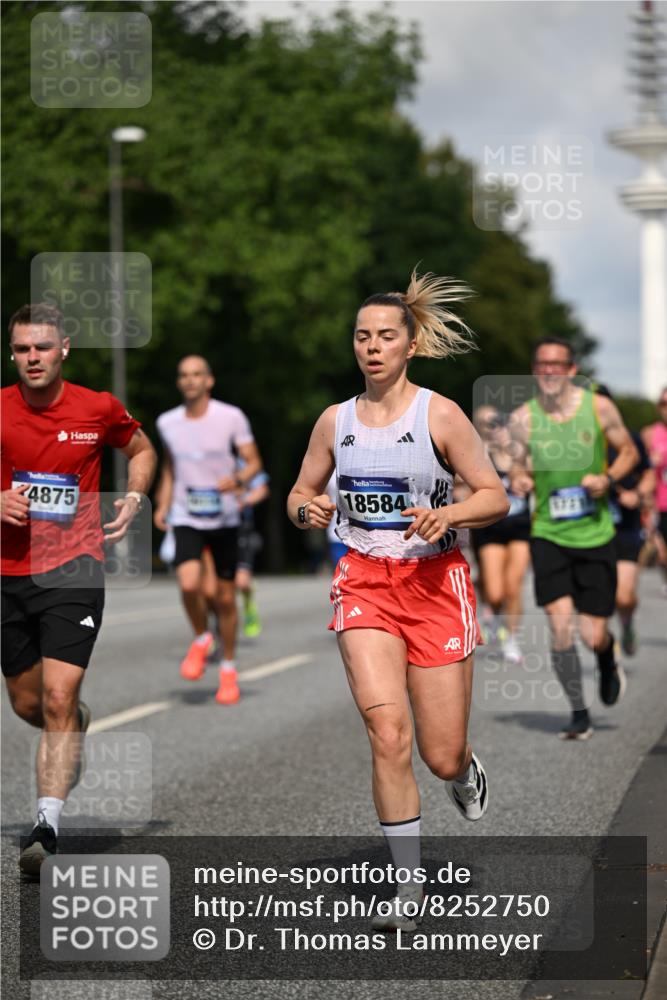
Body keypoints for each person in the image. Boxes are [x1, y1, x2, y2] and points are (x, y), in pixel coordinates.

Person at [287, 271, 509, 931]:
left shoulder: (437, 414)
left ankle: (461, 768)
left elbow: (493, 495)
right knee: (387, 732)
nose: (372, 347)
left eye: (386, 336)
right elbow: (300, 492)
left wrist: (453, 517)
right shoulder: (336, 421)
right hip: (364, 582)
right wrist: (308, 510)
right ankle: (406, 889)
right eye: (362, 337)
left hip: (435, 584)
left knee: (437, 753)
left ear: (410, 345)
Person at [1, 303, 156, 874]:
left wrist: (135, 495)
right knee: (29, 703)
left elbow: (140, 449)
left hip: (74, 568)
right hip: (7, 573)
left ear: (64, 348)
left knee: (59, 697)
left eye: (42, 347)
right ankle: (73, 727)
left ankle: (46, 825)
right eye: (21, 349)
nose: (32, 358)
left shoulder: (96, 408)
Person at [509, 339, 638, 740]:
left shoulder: (598, 407)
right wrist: (521, 478)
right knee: (561, 630)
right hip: (548, 533)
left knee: (592, 634)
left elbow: (629, 452)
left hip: (596, 535)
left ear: (571, 369)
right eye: (541, 364)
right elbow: (515, 468)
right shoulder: (523, 418)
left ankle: (605, 655)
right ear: (535, 371)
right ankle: (579, 713)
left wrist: (608, 478)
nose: (548, 371)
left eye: (556, 364)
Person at [153, 356, 262, 705]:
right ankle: (202, 638)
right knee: (188, 583)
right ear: (178, 382)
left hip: (225, 518)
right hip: (187, 515)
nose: (190, 381)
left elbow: (254, 461)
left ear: (209, 380)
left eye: (197, 374)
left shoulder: (230, 417)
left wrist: (240, 479)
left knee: (224, 598)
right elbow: (170, 468)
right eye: (183, 375)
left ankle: (228, 667)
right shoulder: (167, 422)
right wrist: (162, 503)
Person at [469, 405, 531, 664]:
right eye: (487, 424)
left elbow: (532, 477)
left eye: (498, 422)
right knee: (495, 592)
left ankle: (511, 638)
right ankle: (488, 604)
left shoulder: (520, 452)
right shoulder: (475, 455)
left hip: (519, 526)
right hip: (489, 529)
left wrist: (525, 480)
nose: (494, 428)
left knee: (512, 586)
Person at [594, 386, 654, 655]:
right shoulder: (572, 443)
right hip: (590, 529)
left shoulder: (629, 439)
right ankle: (603, 646)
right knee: (598, 596)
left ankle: (627, 622)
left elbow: (648, 474)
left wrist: (638, 494)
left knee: (623, 596)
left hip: (626, 526)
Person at [199, 464, 270, 640]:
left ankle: (247, 602)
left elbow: (262, 489)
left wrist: (244, 500)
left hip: (241, 529)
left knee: (242, 582)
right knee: (210, 589)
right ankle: (216, 629)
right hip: (212, 529)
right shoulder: (204, 460)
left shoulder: (243, 462)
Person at [641, 387, 667, 594]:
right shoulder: (650, 434)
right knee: (663, 555)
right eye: (664, 404)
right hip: (661, 503)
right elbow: (643, 472)